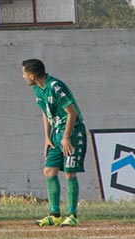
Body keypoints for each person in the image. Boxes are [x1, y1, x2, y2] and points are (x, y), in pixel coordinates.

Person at [22, 59, 86, 227]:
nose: (23, 77)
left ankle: (72, 215)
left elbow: (71, 113)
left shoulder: (56, 87)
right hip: (57, 134)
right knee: (49, 170)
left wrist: (66, 137)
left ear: (32, 75)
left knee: (69, 173)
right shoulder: (38, 89)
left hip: (72, 132)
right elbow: (46, 113)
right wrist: (47, 137)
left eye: (23, 74)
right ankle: (55, 214)